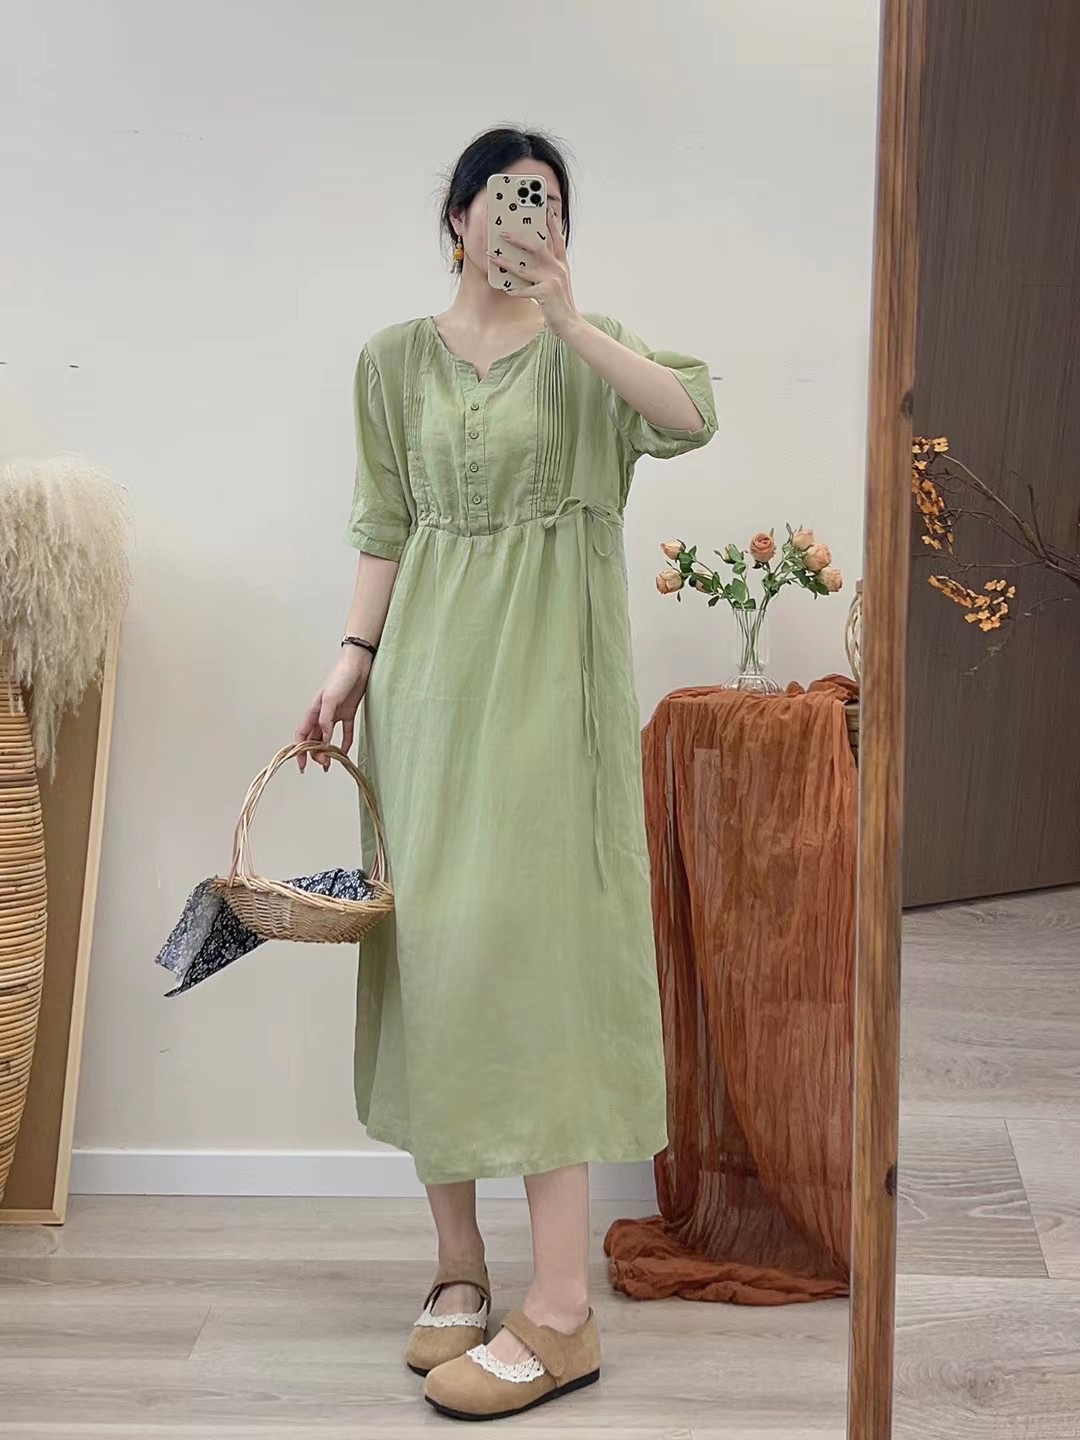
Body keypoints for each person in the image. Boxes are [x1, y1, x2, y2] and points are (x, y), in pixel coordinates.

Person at [295, 125, 717, 1422]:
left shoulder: (594, 353)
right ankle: (459, 1266)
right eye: (502, 198)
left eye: (546, 204)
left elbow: (691, 417)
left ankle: (564, 1309)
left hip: (551, 695)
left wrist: (573, 318)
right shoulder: (391, 362)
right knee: (436, 958)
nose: (523, 219)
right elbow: (385, 524)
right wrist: (352, 662)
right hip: (427, 691)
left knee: (535, 967)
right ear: (457, 219)